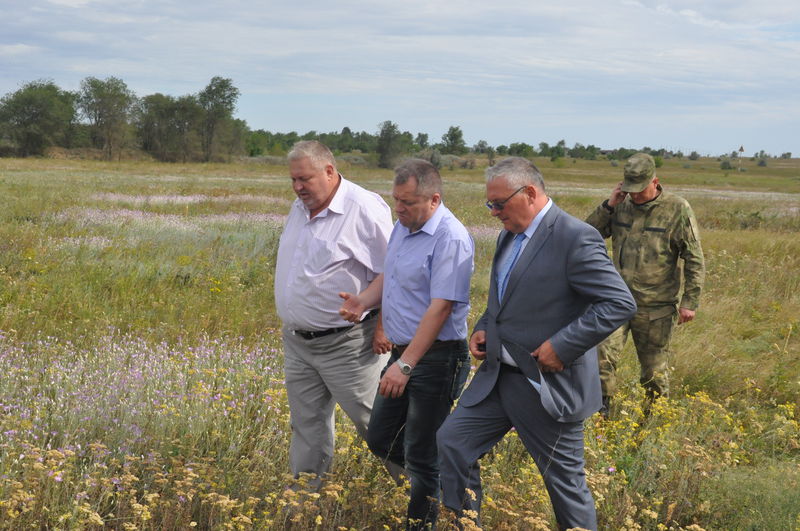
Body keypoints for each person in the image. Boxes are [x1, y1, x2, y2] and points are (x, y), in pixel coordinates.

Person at [436, 157, 636, 530]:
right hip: (499, 378)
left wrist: (563, 345)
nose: (494, 212)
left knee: (564, 486)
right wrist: (484, 327)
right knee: (452, 443)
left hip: (548, 387)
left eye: (499, 203)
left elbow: (619, 303)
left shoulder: (575, 237)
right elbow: (505, 296)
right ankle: (466, 524)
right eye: (489, 205)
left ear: (529, 193)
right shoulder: (509, 234)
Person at [339, 159, 473, 530]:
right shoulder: (403, 226)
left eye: (408, 202)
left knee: (420, 450)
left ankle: (424, 521)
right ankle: (449, 480)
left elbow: (441, 307)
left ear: (434, 198)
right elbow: (392, 277)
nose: (398, 209)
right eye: (396, 200)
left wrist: (406, 364)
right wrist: (364, 302)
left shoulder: (451, 237)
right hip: (403, 354)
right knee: (381, 438)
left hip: (435, 359)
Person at [274, 140, 395, 488]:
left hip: (347, 343)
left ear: (329, 171)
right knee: (307, 426)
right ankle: (302, 504)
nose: (298, 188)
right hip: (298, 342)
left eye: (305, 179)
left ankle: (429, 500)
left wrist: (383, 326)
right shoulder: (301, 206)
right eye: (293, 180)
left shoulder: (363, 208)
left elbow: (396, 269)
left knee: (376, 424)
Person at [585, 152, 705, 412]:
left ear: (655, 181)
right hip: (616, 302)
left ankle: (651, 421)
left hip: (655, 307)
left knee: (653, 371)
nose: (635, 196)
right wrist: (609, 205)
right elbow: (586, 235)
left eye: (640, 190)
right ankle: (602, 419)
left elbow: (694, 257)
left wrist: (690, 301)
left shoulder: (677, 209)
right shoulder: (621, 205)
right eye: (630, 190)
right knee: (600, 360)